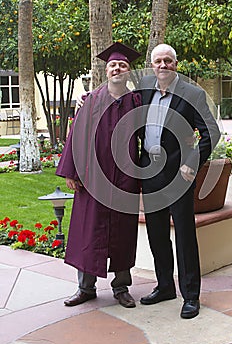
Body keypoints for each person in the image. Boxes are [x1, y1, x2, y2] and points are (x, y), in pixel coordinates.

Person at [56, 42, 141, 309]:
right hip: (93, 178)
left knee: (123, 233)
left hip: (125, 179)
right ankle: (85, 287)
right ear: (106, 71)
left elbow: (147, 137)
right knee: (88, 232)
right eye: (113, 65)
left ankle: (121, 287)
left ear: (128, 71)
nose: (117, 68)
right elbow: (76, 135)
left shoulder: (136, 101)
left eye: (122, 65)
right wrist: (71, 170)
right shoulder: (91, 100)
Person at [138, 44, 221, 319]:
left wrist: (192, 162)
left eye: (168, 61)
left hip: (179, 175)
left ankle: (191, 296)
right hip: (150, 174)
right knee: (156, 233)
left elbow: (211, 131)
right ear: (152, 65)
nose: (163, 65)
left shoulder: (192, 93)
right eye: (158, 61)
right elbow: (118, 104)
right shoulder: (145, 89)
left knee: (184, 236)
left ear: (176, 64)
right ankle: (164, 287)